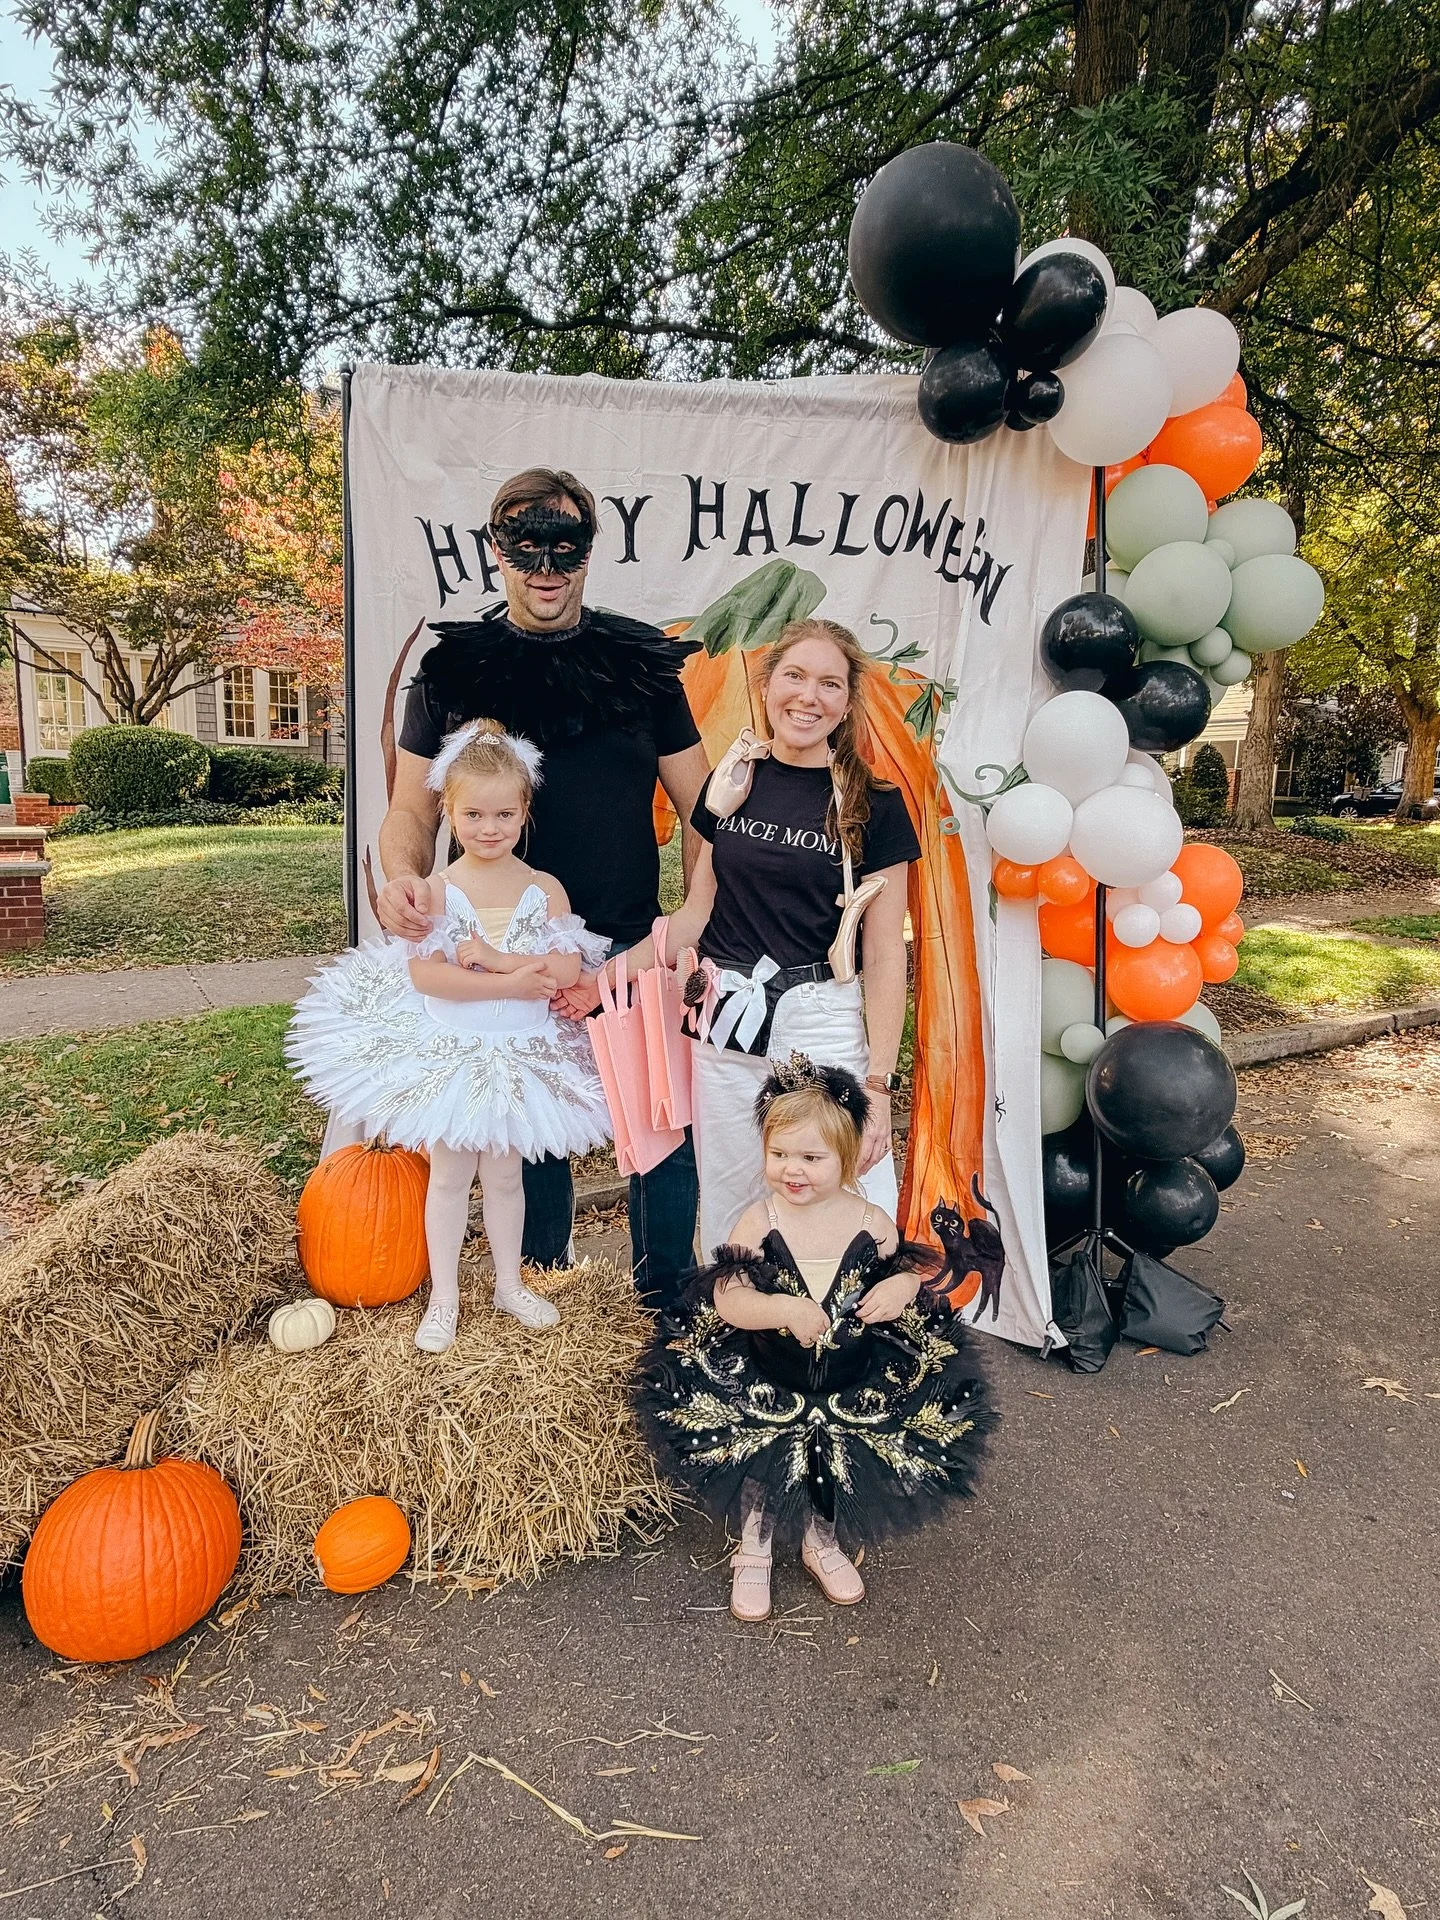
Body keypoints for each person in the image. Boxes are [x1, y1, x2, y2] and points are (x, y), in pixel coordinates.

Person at [375, 468, 709, 1305]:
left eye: (565, 546)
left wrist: (692, 929)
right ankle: (544, 1302)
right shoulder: (452, 672)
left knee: (660, 1134)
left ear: (590, 554)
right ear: (497, 553)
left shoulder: (643, 667)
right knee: (532, 1147)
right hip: (504, 960)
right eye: (527, 547)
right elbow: (408, 813)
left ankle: (667, 1315)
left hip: (629, 948)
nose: (546, 565)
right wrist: (401, 879)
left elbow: (702, 809)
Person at [289, 722, 612, 1352]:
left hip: (520, 1055)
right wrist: (513, 982)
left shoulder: (543, 888)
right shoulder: (436, 890)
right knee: (447, 1177)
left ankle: (508, 1283)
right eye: (473, 814)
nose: (489, 828)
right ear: (448, 812)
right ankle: (444, 1296)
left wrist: (492, 960)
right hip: (455, 1054)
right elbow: (429, 976)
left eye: (503, 814)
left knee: (507, 1176)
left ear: (523, 812)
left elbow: (568, 968)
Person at [636, 1057, 994, 1622]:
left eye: (811, 1158)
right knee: (764, 1464)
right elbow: (726, 1298)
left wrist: (900, 1286)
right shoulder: (760, 1222)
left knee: (834, 1462)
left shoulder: (871, 1221)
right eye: (779, 1155)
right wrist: (777, 1306)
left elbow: (901, 1272)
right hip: (769, 1378)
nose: (792, 1171)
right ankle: (753, 1549)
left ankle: (820, 1542)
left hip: (853, 1377)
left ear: (846, 1158)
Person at [607, 617, 918, 1256]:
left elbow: (885, 956)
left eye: (829, 683)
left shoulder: (874, 804)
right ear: (768, 682)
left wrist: (879, 1087)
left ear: (848, 700)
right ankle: (741, 1330)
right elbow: (695, 915)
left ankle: (847, 1337)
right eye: (795, 676)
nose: (809, 696)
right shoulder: (733, 783)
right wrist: (602, 980)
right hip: (724, 1017)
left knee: (846, 1190)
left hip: (820, 1019)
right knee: (732, 1193)